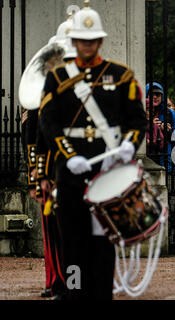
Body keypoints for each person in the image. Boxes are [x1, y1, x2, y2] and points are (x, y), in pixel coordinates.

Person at [38, 1, 146, 300]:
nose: (87, 45)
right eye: (82, 40)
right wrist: (67, 156)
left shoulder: (121, 75)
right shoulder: (57, 78)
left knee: (102, 243)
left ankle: (101, 295)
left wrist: (128, 144)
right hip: (71, 177)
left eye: (92, 40)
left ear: (100, 40)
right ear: (74, 41)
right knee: (72, 243)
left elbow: (137, 120)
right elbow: (48, 124)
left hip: (106, 174)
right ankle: (73, 295)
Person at [21, 9, 80, 299]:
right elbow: (35, 138)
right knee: (54, 232)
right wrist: (37, 178)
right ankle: (57, 280)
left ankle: (76, 282)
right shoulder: (43, 92)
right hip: (54, 173)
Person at [145, 82, 175, 171]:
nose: (155, 97)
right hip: (146, 159)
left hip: (166, 159)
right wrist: (150, 124)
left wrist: (168, 130)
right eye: (152, 94)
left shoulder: (170, 113)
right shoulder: (140, 111)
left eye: (158, 94)